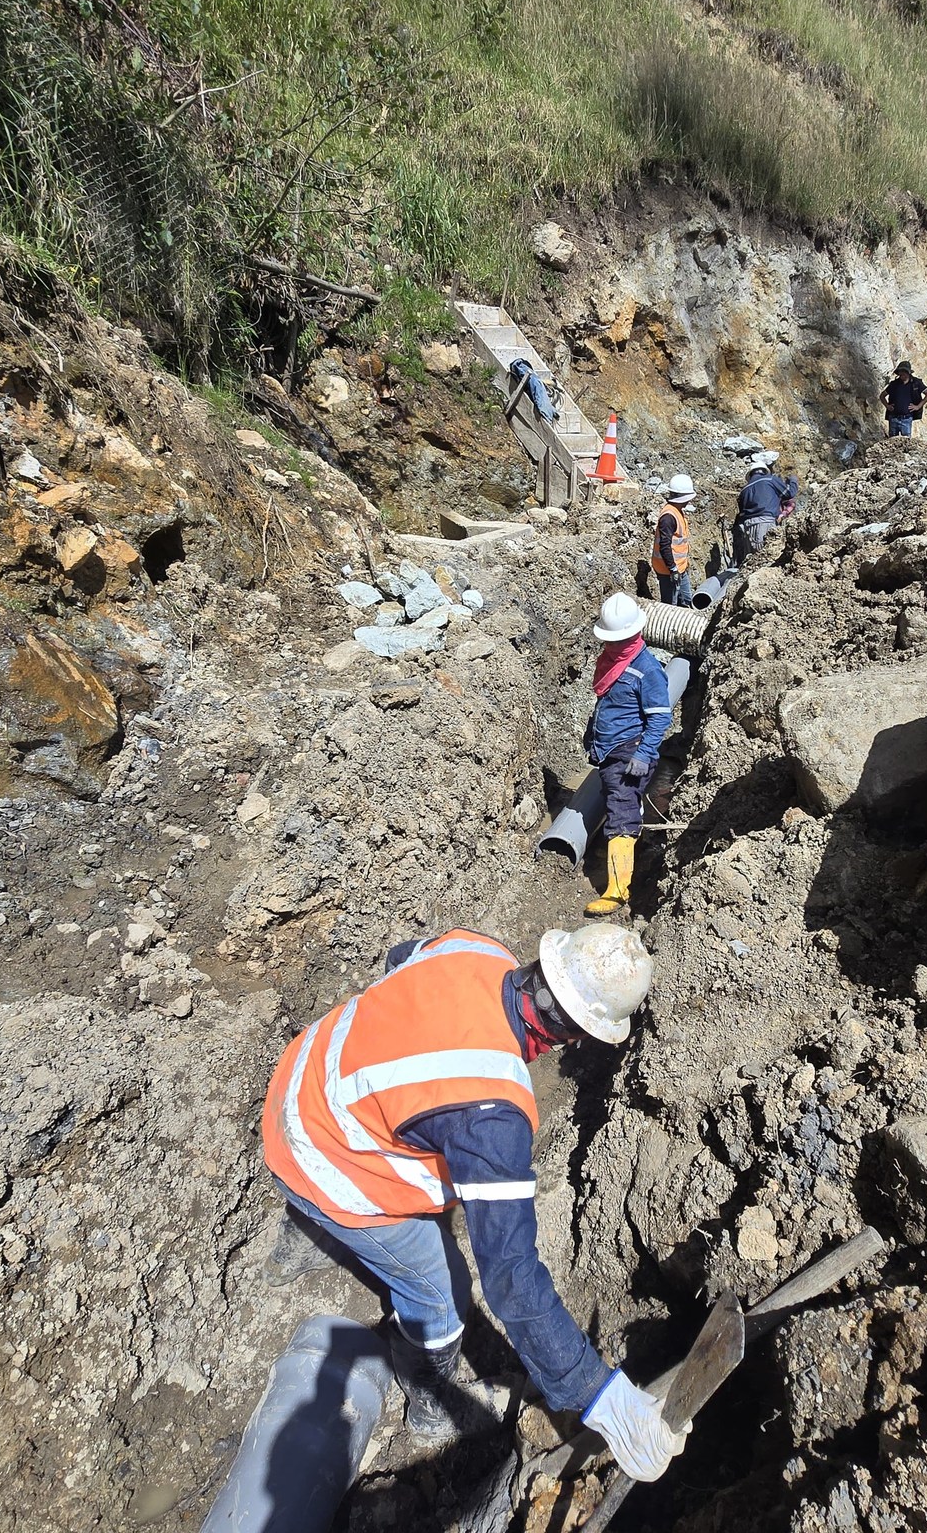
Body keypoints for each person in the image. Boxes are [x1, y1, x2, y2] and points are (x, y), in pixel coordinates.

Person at [259, 922, 690, 1484]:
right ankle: (429, 1400)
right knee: (442, 1294)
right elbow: (511, 1278)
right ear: (578, 1035)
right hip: (328, 1163)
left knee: (404, 1143)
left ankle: (298, 1244)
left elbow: (399, 957)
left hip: (301, 1082)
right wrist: (596, 1392)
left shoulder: (477, 949)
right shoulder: (492, 1112)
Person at [583, 593, 671, 916]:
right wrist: (593, 735)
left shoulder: (647, 670)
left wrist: (644, 754)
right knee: (617, 800)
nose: (612, 645)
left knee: (621, 811)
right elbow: (608, 704)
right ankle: (633, 844)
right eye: (609, 640)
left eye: (618, 639)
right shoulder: (613, 662)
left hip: (630, 751)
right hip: (611, 751)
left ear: (634, 634)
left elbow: (660, 716)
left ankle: (618, 890)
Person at [733, 459, 798, 566]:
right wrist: (793, 480)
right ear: (764, 471)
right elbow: (789, 493)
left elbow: (741, 514)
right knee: (768, 561)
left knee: (752, 563)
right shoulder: (771, 480)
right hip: (765, 523)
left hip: (747, 528)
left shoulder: (744, 489)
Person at [652, 476, 695, 609]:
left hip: (680, 568)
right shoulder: (668, 517)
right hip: (668, 571)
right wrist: (672, 569)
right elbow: (665, 546)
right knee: (670, 606)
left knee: (687, 600)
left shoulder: (677, 511)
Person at [880, 361, 927, 436]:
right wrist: (887, 406)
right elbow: (882, 396)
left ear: (908, 372)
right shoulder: (894, 384)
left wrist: (918, 406)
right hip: (893, 417)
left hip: (907, 418)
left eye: (904, 372)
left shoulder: (916, 383)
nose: (902, 374)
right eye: (900, 372)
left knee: (906, 443)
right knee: (892, 442)